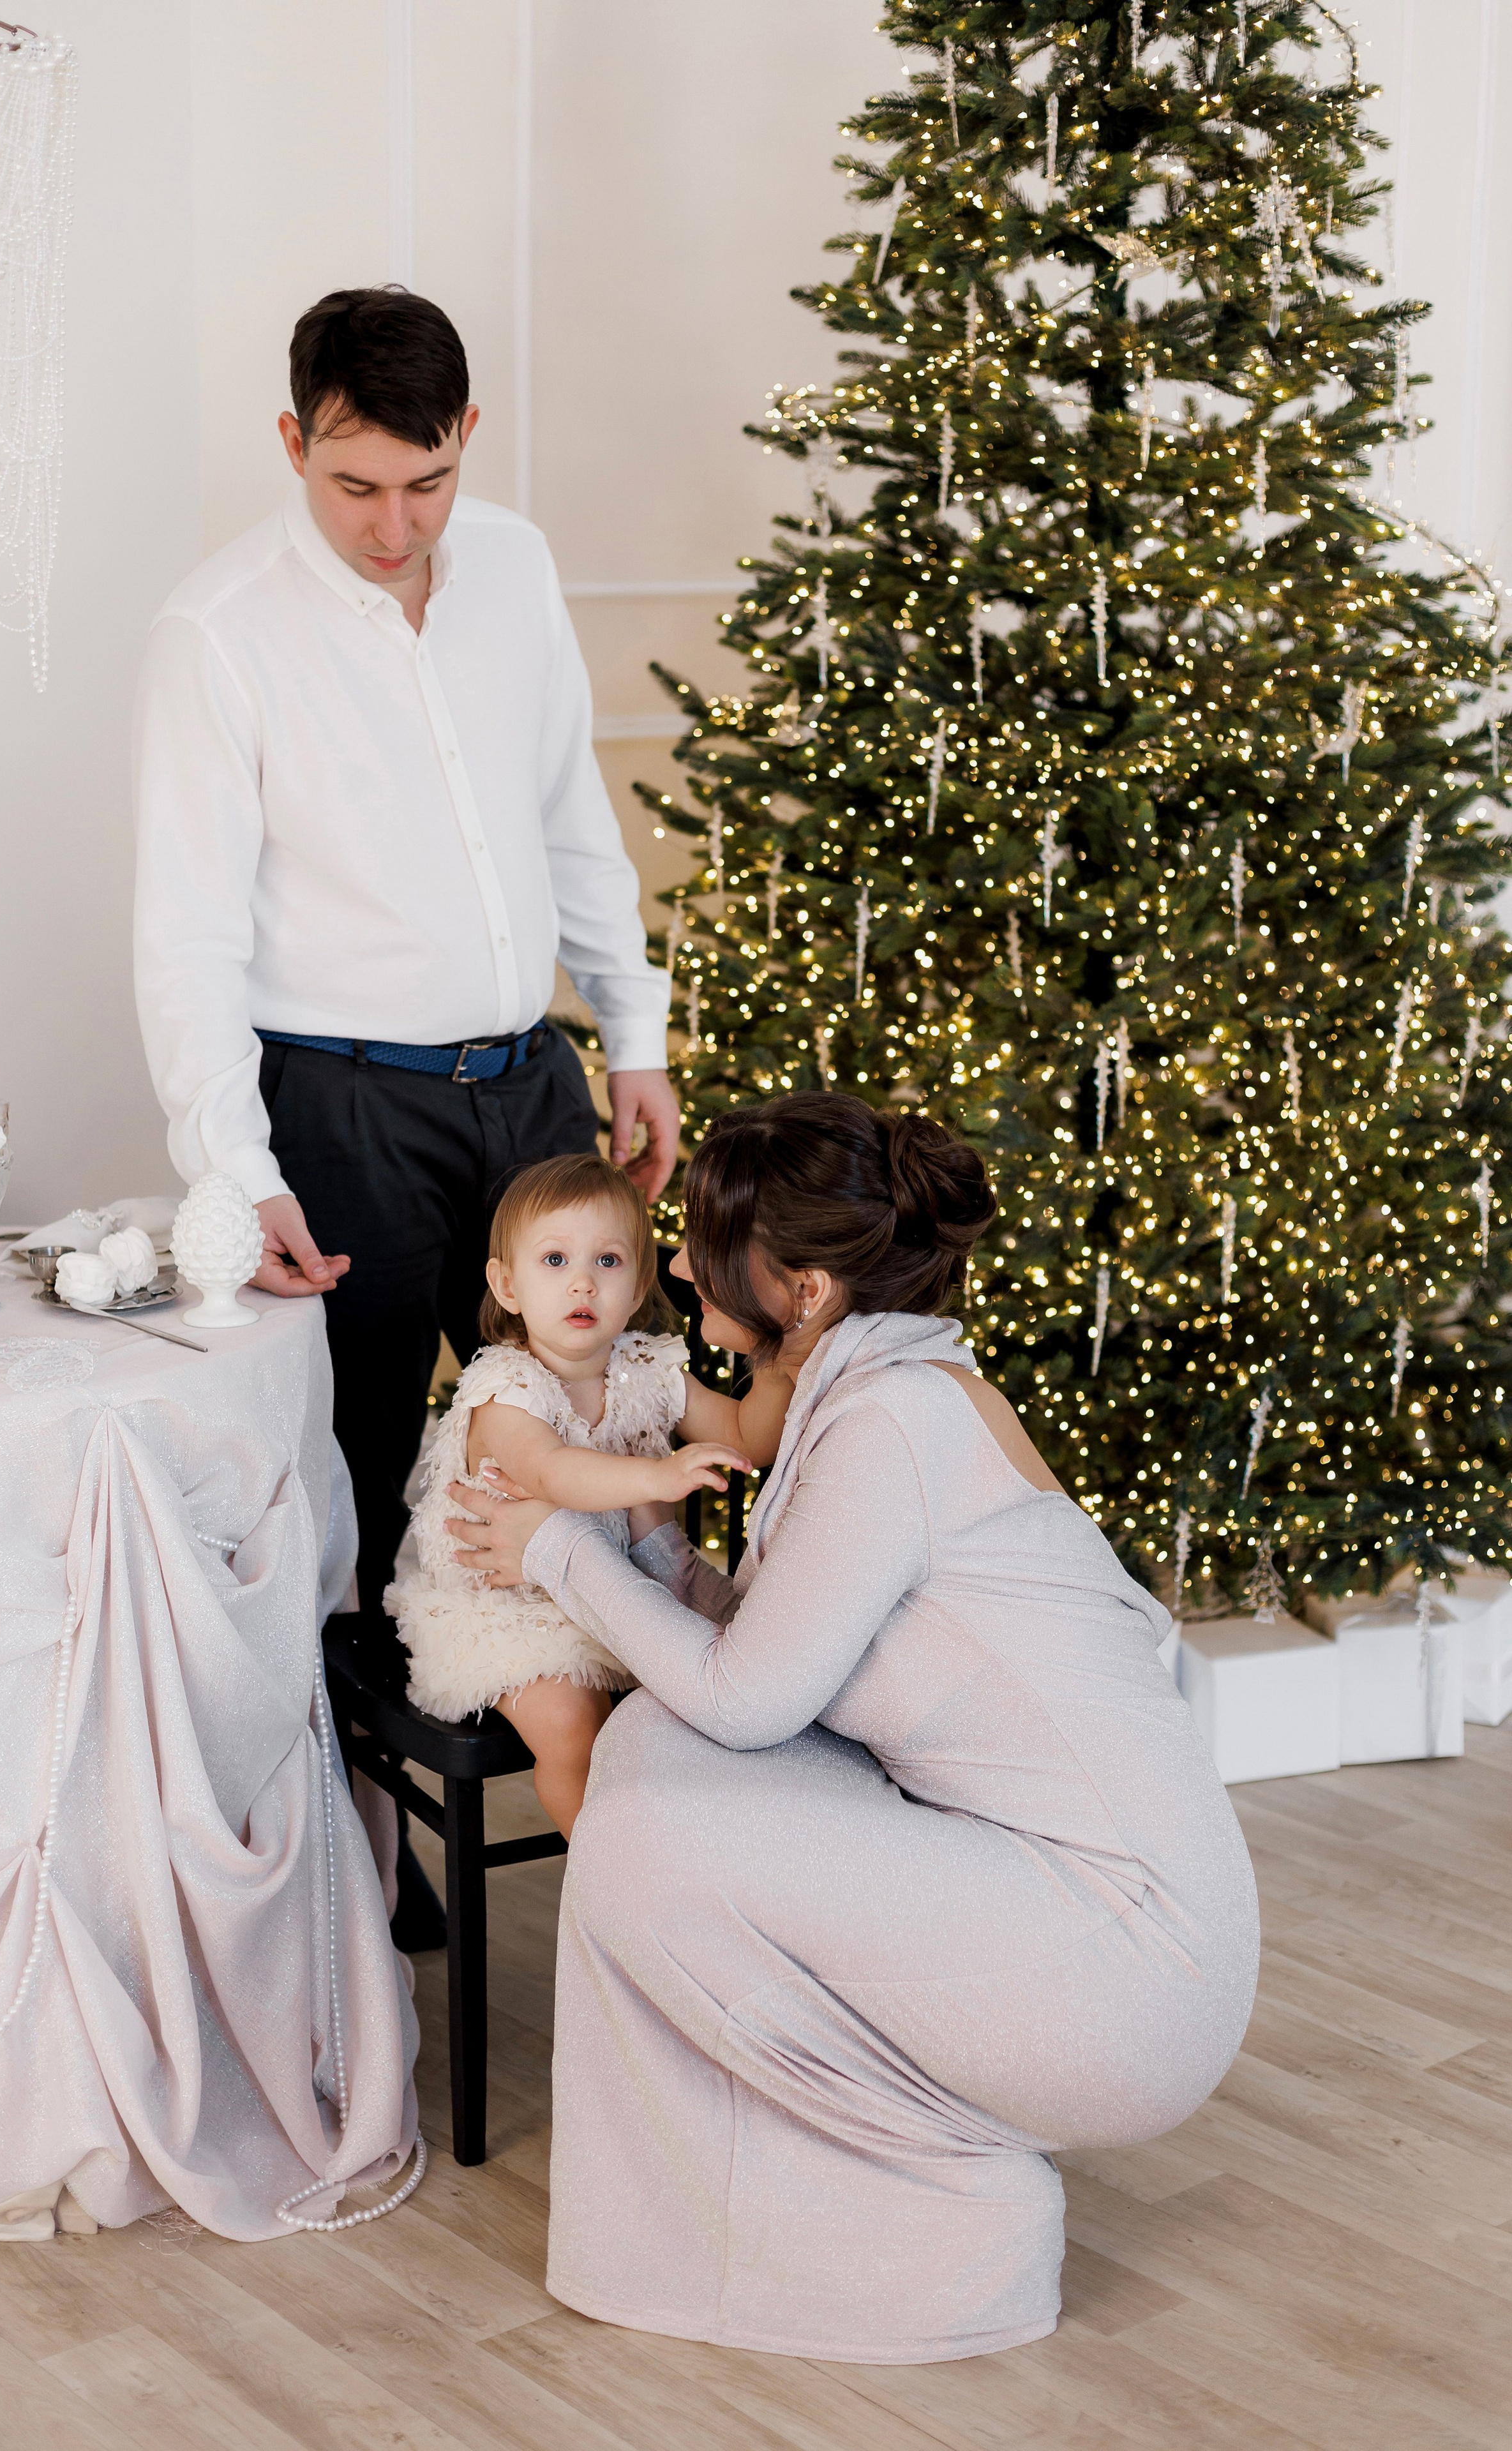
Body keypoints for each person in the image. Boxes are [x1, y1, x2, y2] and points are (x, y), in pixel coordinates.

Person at [446, 1093, 1261, 2364]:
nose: (669, 1268)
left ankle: (932, 2217)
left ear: (802, 1289)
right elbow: (771, 1656)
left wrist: (555, 1547)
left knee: (650, 1821)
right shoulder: (888, 1388)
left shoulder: (892, 1423)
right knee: (651, 1766)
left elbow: (746, 1695)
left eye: (702, 1254)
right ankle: (785, 2192)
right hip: (1064, 1893)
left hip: (1126, 1966)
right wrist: (647, 1545)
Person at [132, 287, 677, 1933]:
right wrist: (235, 1164)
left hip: (529, 1077)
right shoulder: (217, 629)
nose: (393, 523)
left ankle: (658, 1828)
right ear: (294, 442)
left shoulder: (506, 563)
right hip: (336, 1105)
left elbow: (570, 804)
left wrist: (632, 1035)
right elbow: (185, 929)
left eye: (423, 482)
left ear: (467, 446)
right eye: (354, 482)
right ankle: (363, 1868)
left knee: (603, 1414)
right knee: (358, 1478)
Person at [388, 1151, 789, 1835]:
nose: (582, 1283)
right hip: (510, 1610)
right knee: (575, 1729)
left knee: (709, 1706)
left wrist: (790, 1353)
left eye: (607, 1262)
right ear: (506, 1285)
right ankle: (617, 1883)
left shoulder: (646, 1366)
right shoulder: (506, 1390)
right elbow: (550, 1472)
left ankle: (709, 1857)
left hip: (618, 1592)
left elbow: (744, 1434)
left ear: (636, 1288)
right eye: (554, 1262)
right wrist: (658, 1476)